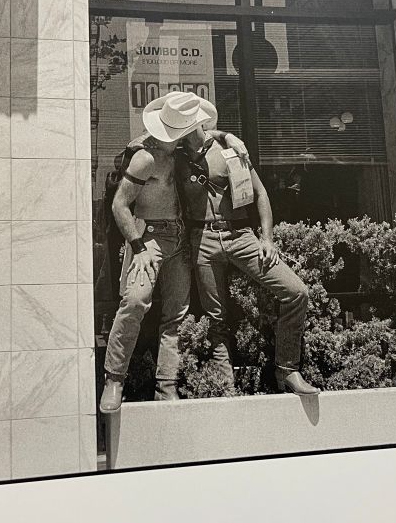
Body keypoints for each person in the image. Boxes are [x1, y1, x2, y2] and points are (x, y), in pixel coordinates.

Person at [99, 92, 248, 413]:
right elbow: (119, 205)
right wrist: (137, 247)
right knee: (135, 302)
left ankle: (166, 390)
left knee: (175, 316)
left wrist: (227, 135)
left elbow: (209, 136)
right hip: (148, 237)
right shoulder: (144, 156)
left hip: (179, 236)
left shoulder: (179, 150)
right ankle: (114, 379)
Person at [176, 102, 319, 397]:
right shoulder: (175, 158)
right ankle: (226, 389)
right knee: (217, 320)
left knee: (296, 291)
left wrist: (266, 239)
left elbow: (259, 193)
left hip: (240, 235)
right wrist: (225, 133)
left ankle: (288, 370)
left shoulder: (228, 151)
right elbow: (137, 144)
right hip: (201, 240)